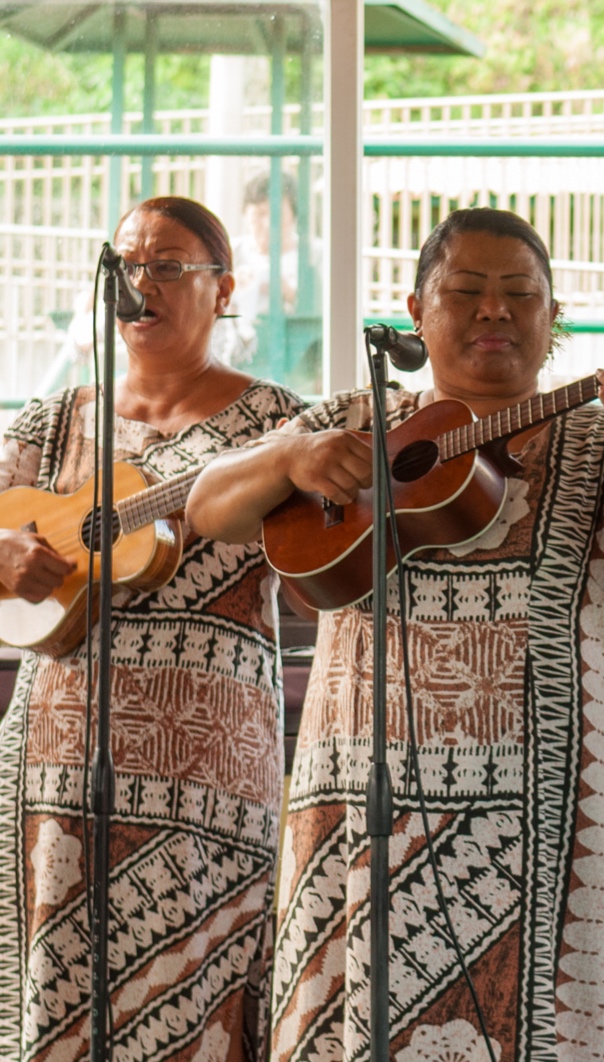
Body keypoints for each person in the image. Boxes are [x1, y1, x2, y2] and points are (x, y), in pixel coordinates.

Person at [186, 207, 604, 1062]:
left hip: (549, 820)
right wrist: (289, 460)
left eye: (521, 295)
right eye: (465, 291)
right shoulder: (360, 422)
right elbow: (209, 507)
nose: (494, 312)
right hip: (360, 807)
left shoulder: (599, 438)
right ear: (416, 308)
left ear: (554, 319)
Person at [0, 197, 305, 1058]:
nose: (143, 285)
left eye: (168, 266)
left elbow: (318, 570)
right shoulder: (59, 418)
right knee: (55, 992)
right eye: (128, 266)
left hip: (209, 772)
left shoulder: (277, 425)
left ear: (224, 290)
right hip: (57, 767)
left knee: (198, 995)